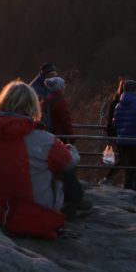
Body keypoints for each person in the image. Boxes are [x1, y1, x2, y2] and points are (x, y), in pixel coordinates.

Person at [0, 80, 82, 239]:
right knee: (61, 167)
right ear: (33, 105)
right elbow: (70, 162)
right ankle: (75, 205)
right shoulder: (44, 139)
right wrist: (71, 149)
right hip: (34, 209)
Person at [41, 76, 86, 215]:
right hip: (60, 136)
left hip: (49, 134)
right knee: (66, 164)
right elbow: (66, 121)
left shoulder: (46, 99)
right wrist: (71, 138)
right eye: (63, 85)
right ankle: (70, 197)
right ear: (60, 87)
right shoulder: (60, 101)